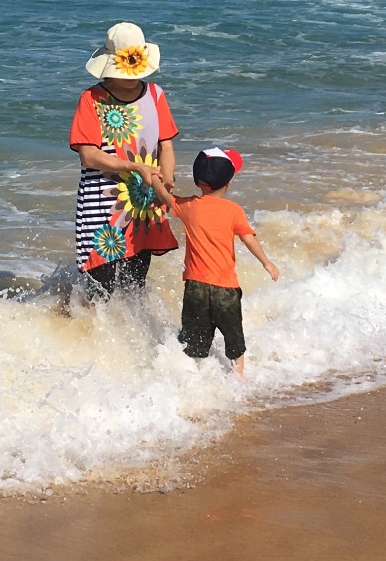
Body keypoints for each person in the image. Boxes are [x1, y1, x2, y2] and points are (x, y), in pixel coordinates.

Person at [69, 21, 179, 296]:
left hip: (143, 203)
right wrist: (134, 166)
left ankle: (131, 338)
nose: (132, 77)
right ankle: (92, 335)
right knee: (100, 288)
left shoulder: (155, 95)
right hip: (101, 204)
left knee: (135, 287)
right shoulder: (92, 99)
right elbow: (89, 155)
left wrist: (166, 180)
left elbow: (166, 146)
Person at [171, 146, 279, 374]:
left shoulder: (187, 206)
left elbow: (164, 197)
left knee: (195, 341)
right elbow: (249, 239)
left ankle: (197, 379)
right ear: (228, 183)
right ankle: (238, 381)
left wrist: (155, 180)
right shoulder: (233, 210)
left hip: (195, 287)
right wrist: (266, 262)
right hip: (225, 289)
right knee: (234, 341)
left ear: (198, 181)